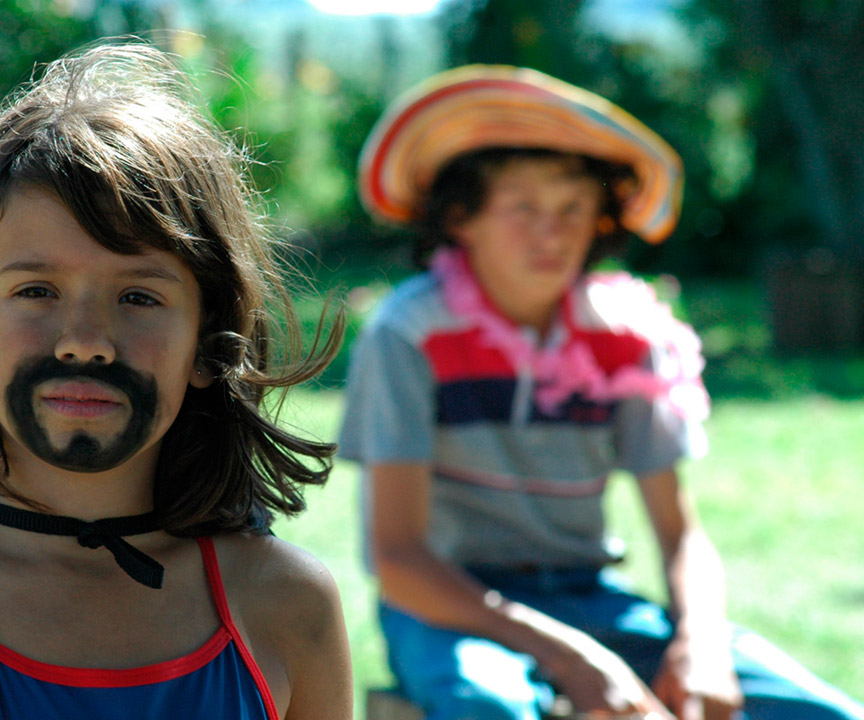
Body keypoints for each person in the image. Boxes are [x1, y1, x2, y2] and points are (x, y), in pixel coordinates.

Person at [0, 39, 353, 720]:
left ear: (209, 345)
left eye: (139, 298)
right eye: (37, 292)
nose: (85, 342)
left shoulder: (290, 609)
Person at [339, 65, 864, 720]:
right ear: (460, 218)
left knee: (823, 712)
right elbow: (399, 560)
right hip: (449, 609)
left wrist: (700, 643)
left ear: (600, 224)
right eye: (522, 208)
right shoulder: (407, 334)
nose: (551, 233)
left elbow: (680, 534)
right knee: (489, 706)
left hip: (594, 598)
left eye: (573, 210)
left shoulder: (630, 338)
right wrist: (570, 657)